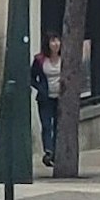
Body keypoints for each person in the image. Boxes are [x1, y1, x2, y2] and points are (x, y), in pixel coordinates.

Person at [31, 33, 64, 169]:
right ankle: (48, 150)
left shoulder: (65, 58)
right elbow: (32, 76)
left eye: (57, 41)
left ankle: (56, 152)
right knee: (46, 125)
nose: (55, 44)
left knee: (58, 125)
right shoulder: (40, 60)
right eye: (52, 41)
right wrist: (40, 88)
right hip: (45, 98)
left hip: (61, 98)